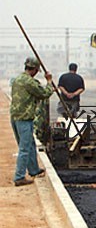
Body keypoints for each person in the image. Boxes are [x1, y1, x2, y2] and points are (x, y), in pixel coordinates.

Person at [10, 57, 54, 186]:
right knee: (24, 148)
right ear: (34, 70)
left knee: (30, 145)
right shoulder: (29, 82)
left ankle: (34, 170)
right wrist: (49, 81)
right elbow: (44, 93)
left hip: (15, 117)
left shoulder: (17, 79)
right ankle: (19, 177)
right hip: (24, 118)